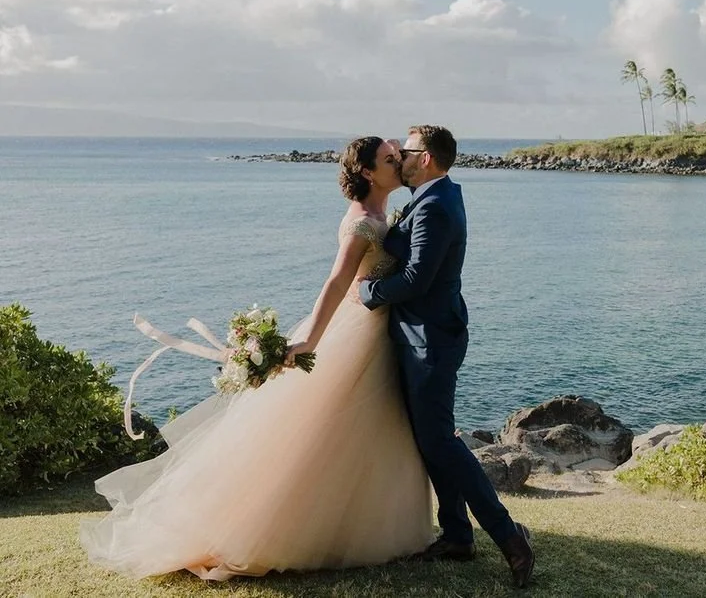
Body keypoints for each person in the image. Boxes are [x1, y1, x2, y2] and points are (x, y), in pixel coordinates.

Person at [80, 136, 435, 580]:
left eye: (398, 155)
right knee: (328, 430)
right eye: (389, 158)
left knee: (373, 430)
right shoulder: (363, 223)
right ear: (367, 172)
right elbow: (336, 283)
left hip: (379, 329)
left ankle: (365, 525)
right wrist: (310, 341)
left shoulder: (383, 213)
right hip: (357, 331)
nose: (398, 162)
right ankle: (291, 530)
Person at [358, 125, 535, 589]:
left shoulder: (436, 206)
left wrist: (367, 292)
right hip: (424, 333)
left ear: (428, 159)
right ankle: (457, 534)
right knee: (433, 439)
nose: (401, 157)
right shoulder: (435, 196)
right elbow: (405, 247)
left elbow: (416, 279)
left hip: (430, 339)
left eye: (408, 151)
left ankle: (508, 534)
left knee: (441, 442)